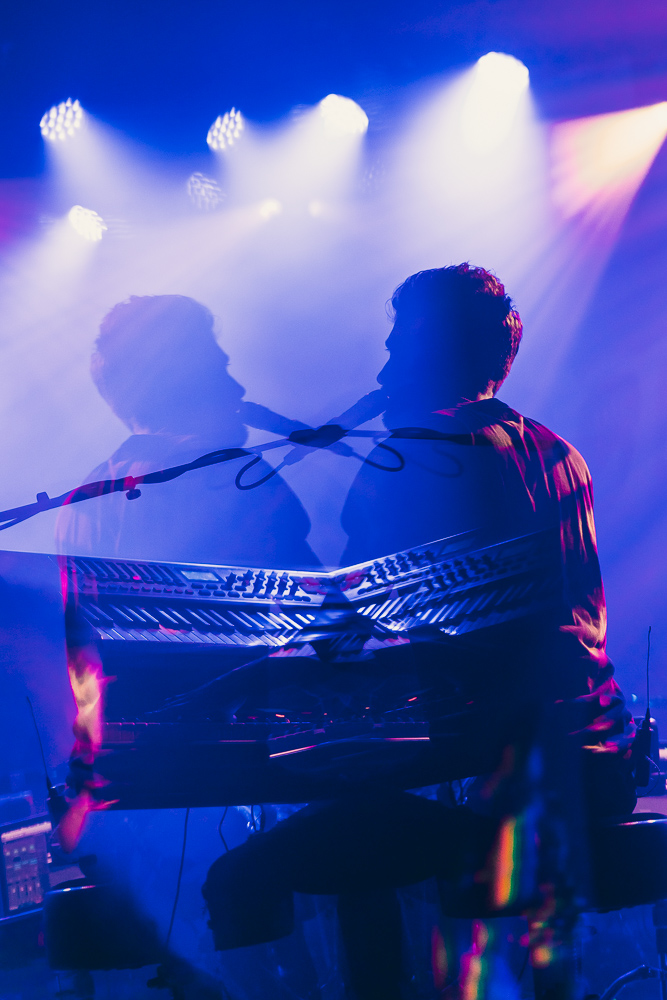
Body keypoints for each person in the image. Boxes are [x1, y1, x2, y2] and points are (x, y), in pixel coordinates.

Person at [202, 265, 636, 1000]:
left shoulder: (411, 461)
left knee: (243, 875)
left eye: (398, 343)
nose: (383, 364)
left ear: (432, 351)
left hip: (499, 788)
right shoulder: (560, 453)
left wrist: (242, 677)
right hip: (596, 764)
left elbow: (355, 637)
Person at [56, 293, 320, 570]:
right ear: (179, 386)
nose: (238, 389)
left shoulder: (77, 509)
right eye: (218, 371)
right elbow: (320, 605)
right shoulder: (231, 471)